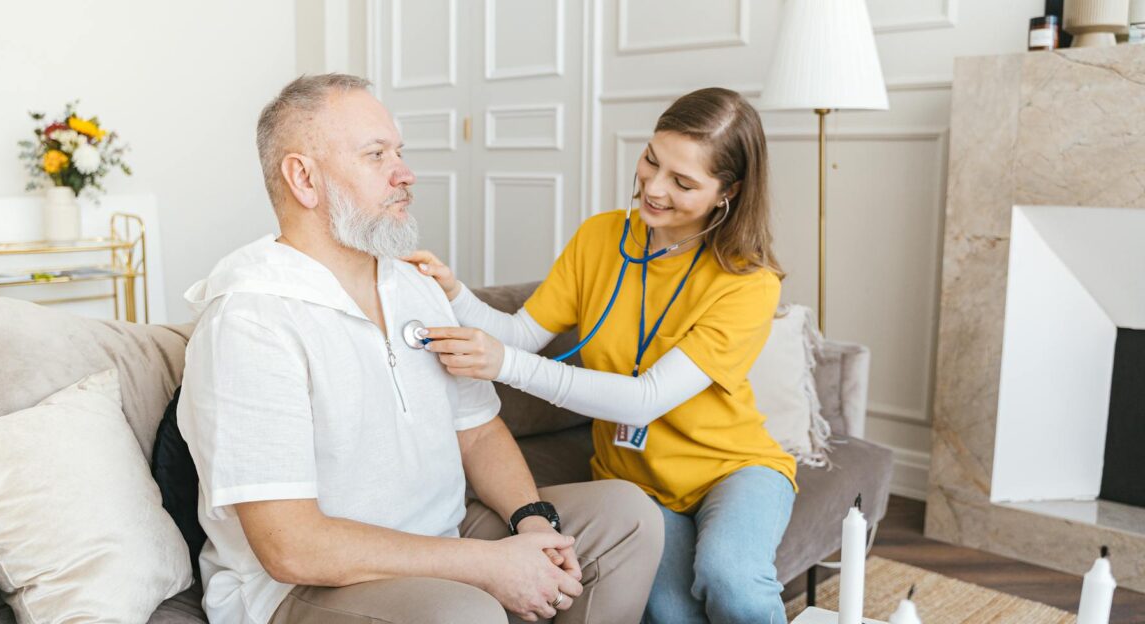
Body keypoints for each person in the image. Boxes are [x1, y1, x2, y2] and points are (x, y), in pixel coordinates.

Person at [176, 73, 663, 624]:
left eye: (399, 152)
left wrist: (532, 522)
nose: (405, 174)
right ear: (303, 178)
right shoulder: (251, 318)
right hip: (307, 588)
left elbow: (477, 432)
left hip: (445, 534)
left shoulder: (413, 285)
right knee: (463, 612)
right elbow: (293, 546)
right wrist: (484, 566)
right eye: (376, 154)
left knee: (627, 515)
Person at [408, 87, 797, 624]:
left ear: (726, 192)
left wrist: (505, 365)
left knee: (731, 579)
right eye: (651, 161)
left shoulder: (747, 283)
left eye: (683, 182)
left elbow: (645, 400)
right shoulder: (600, 237)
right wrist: (455, 293)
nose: (654, 189)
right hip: (632, 479)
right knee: (668, 613)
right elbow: (520, 333)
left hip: (731, 469)